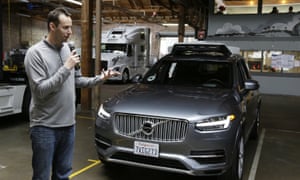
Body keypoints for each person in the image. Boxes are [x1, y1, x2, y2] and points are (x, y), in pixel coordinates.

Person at [24, 7, 119, 180]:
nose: (70, 32)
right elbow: (40, 91)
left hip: (68, 125)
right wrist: (66, 67)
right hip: (45, 127)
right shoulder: (35, 54)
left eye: (71, 27)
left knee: (63, 174)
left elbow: (76, 80)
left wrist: (100, 78)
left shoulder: (68, 49)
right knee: (42, 176)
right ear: (52, 27)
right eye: (65, 27)